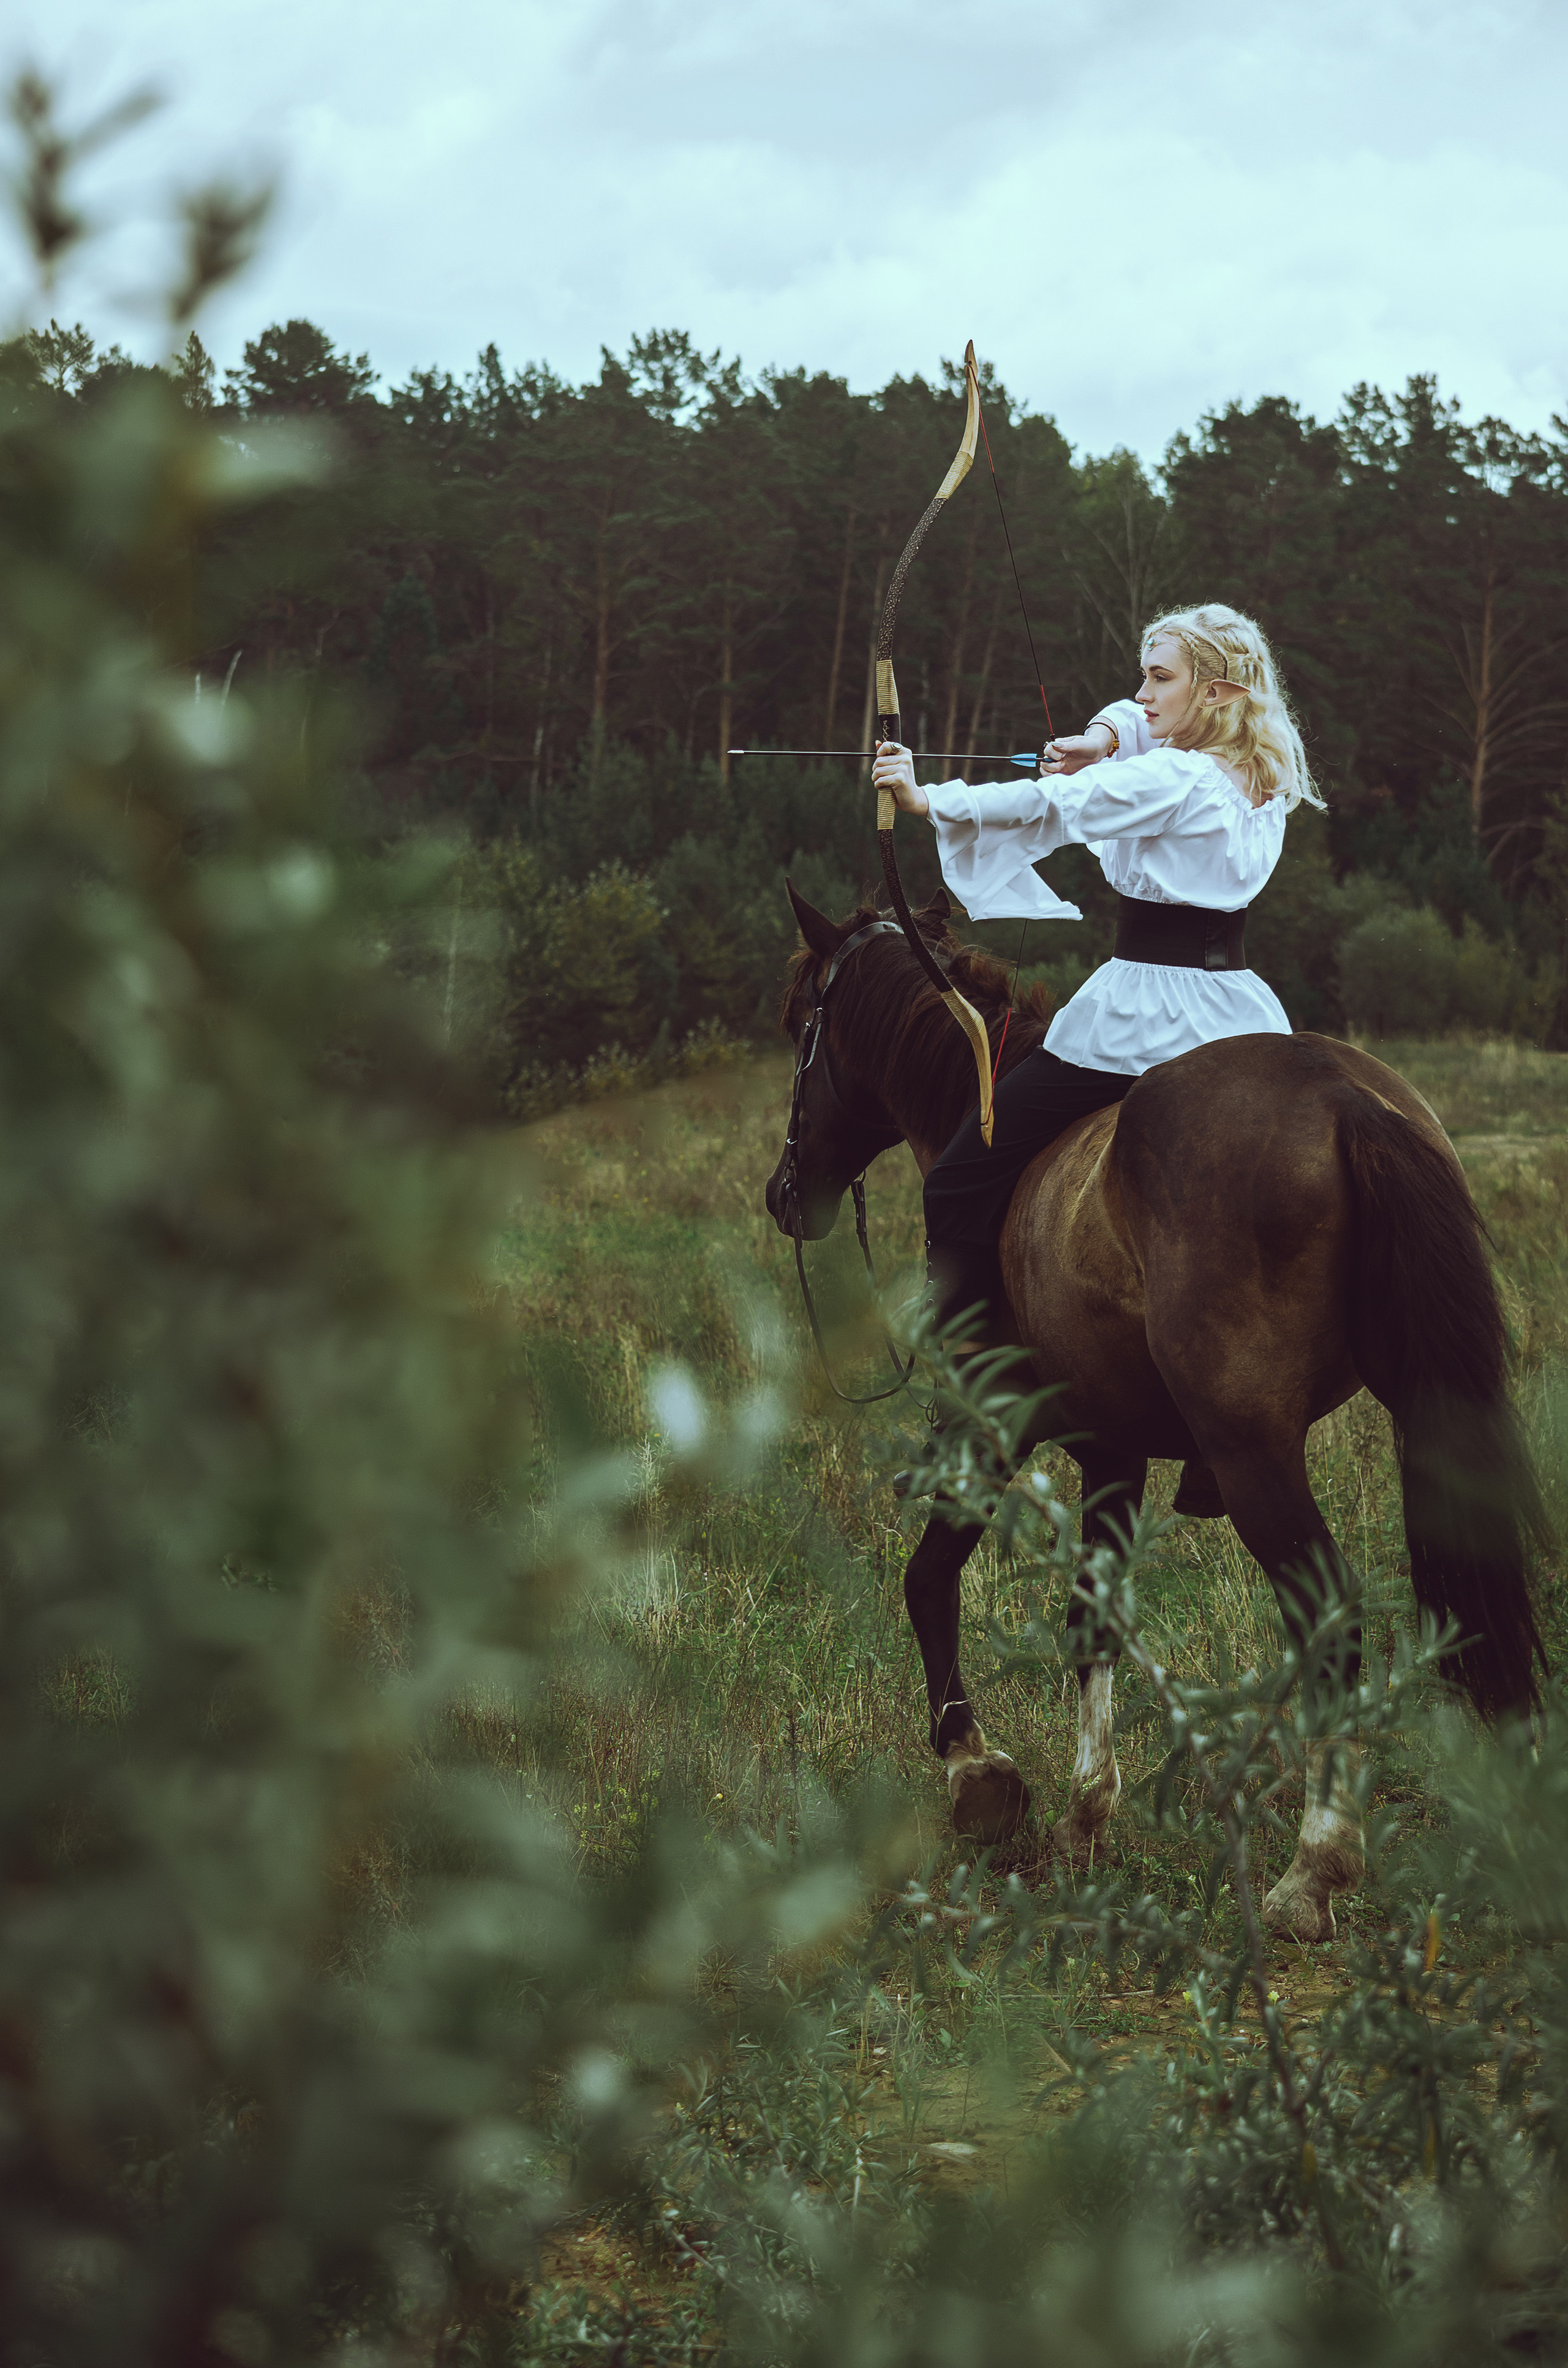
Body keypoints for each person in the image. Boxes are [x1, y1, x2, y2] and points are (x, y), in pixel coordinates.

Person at [870, 601, 1322, 1342]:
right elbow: (1136, 727)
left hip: (1142, 1019)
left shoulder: (1175, 777)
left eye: (1159, 678)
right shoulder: (1265, 776)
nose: (1142, 694)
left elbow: (1054, 803)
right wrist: (1103, 737)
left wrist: (928, 799)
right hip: (1238, 1014)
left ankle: (970, 1358)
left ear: (1214, 691)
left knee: (958, 1178)